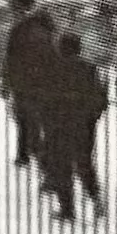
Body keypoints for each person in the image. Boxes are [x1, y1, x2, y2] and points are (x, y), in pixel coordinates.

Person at [40, 27, 108, 223]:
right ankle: (96, 199)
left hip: (59, 126)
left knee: (62, 167)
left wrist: (47, 122)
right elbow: (100, 99)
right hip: (83, 126)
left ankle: (68, 209)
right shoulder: (89, 69)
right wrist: (90, 118)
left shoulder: (52, 71)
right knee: (84, 164)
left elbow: (45, 101)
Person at [0, 0, 53, 170]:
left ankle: (41, 160)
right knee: (25, 119)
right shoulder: (40, 27)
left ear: (23, 9)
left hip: (30, 83)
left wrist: (8, 83)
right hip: (32, 82)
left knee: (31, 121)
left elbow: (13, 59)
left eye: (14, 8)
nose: (12, 13)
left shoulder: (26, 29)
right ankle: (25, 154)